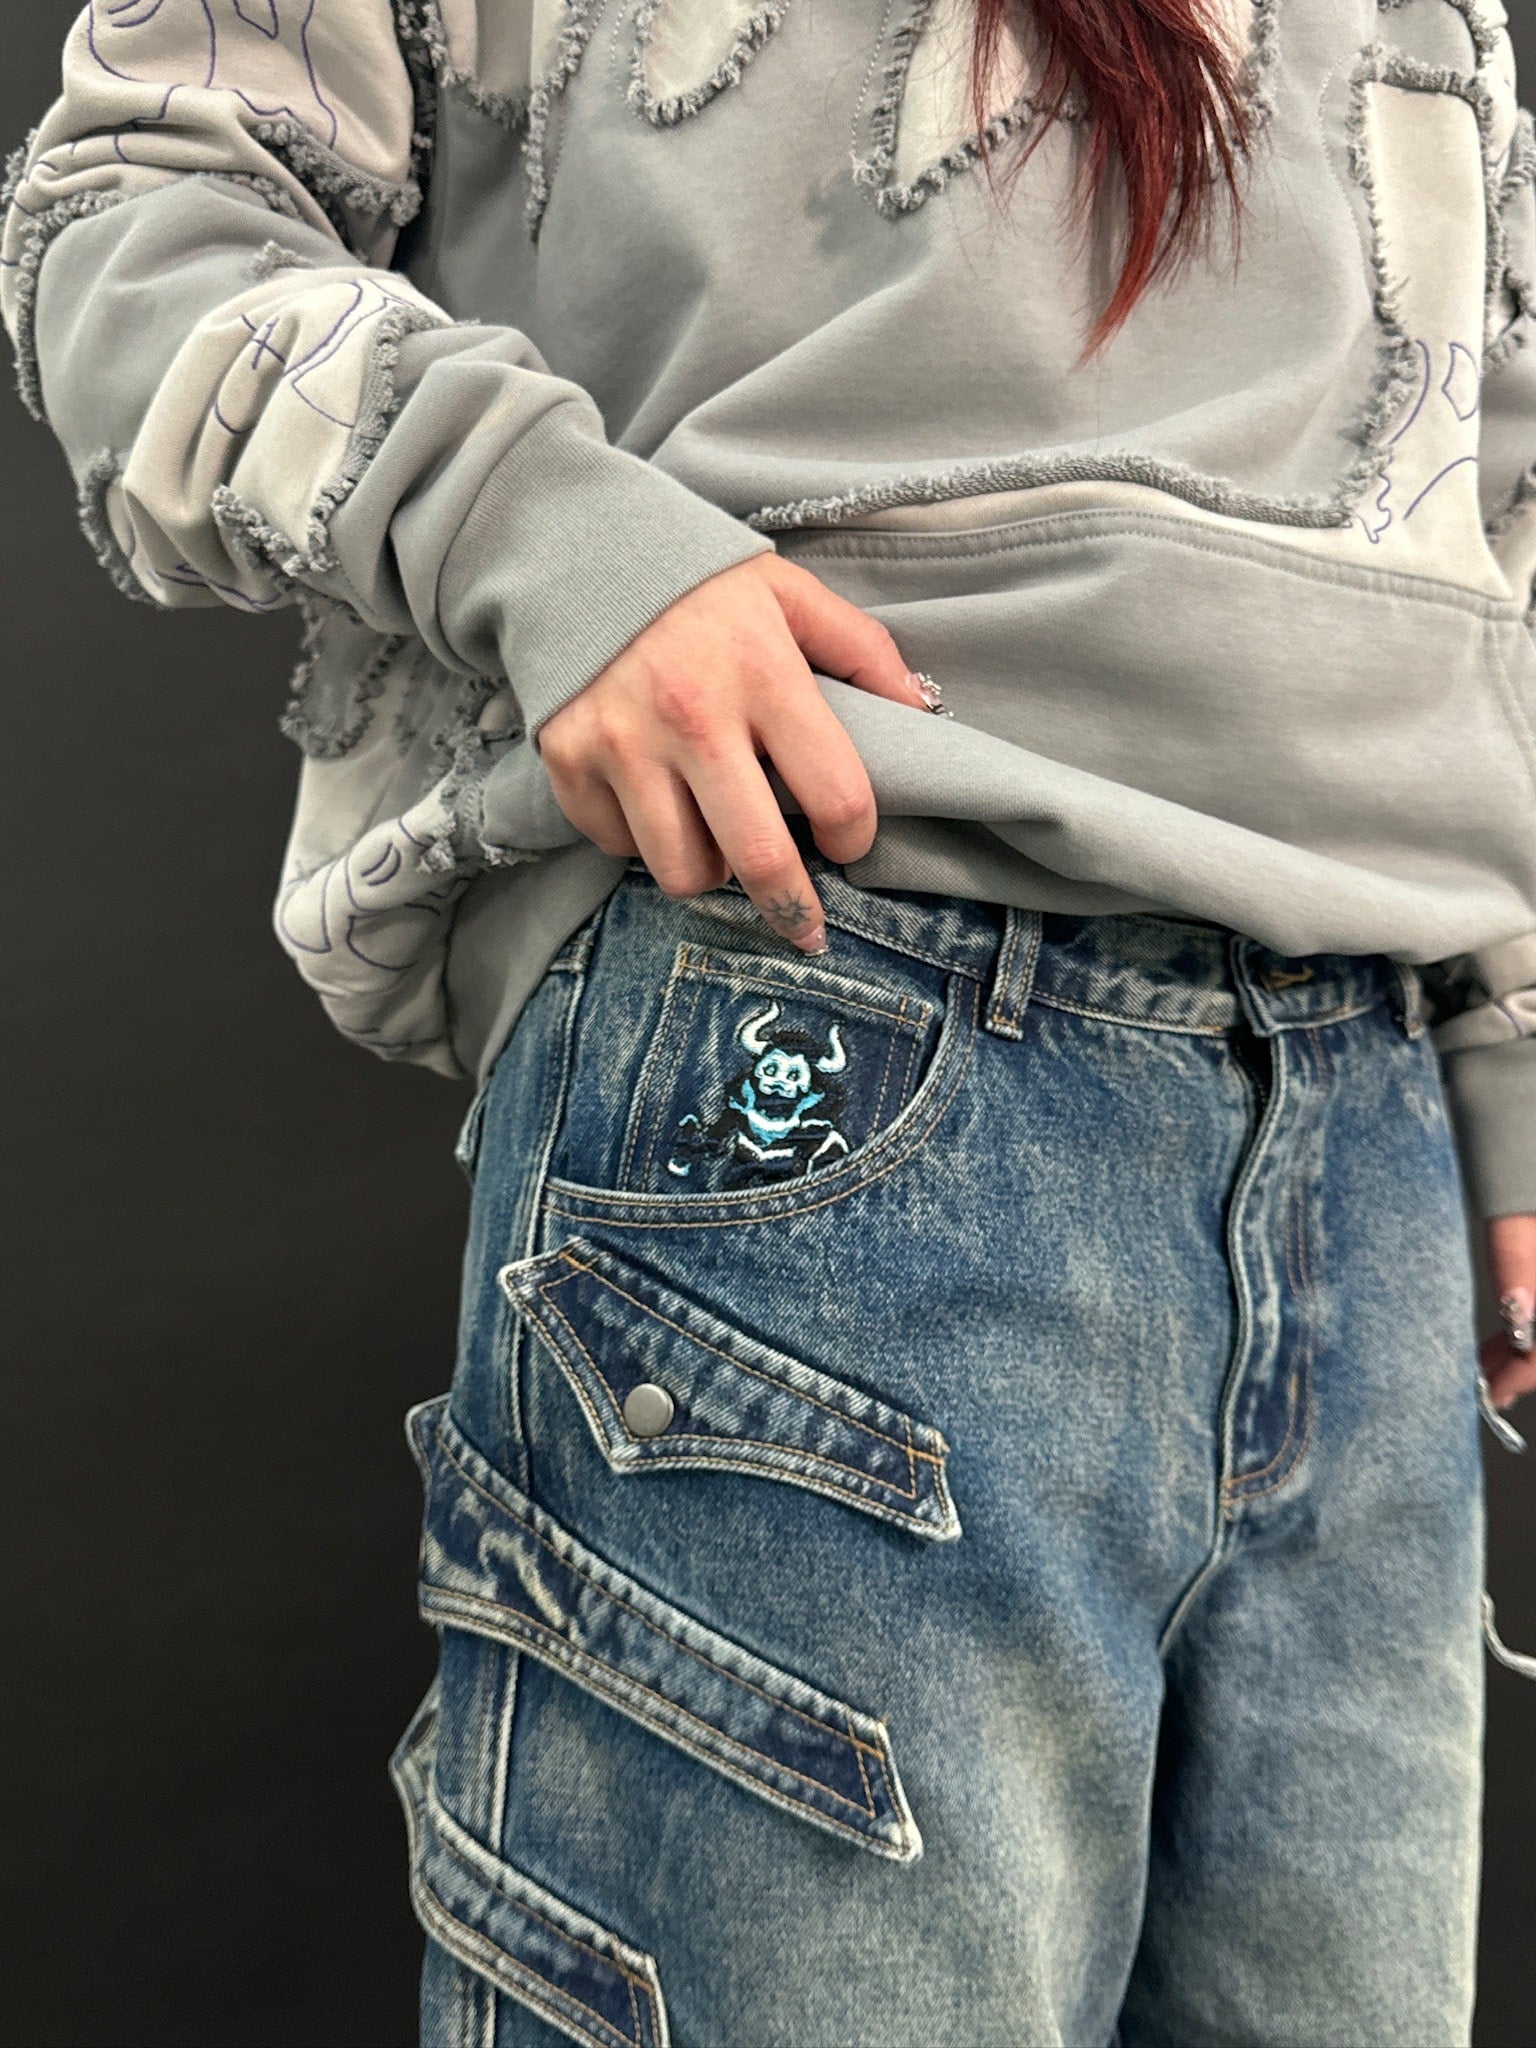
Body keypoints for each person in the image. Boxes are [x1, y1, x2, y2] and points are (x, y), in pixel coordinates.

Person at [6, 0, 1536, 2039]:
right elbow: (134, 209)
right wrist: (542, 529)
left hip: (1373, 1125)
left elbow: (1485, 432)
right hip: (838, 1016)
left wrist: (1508, 1041)